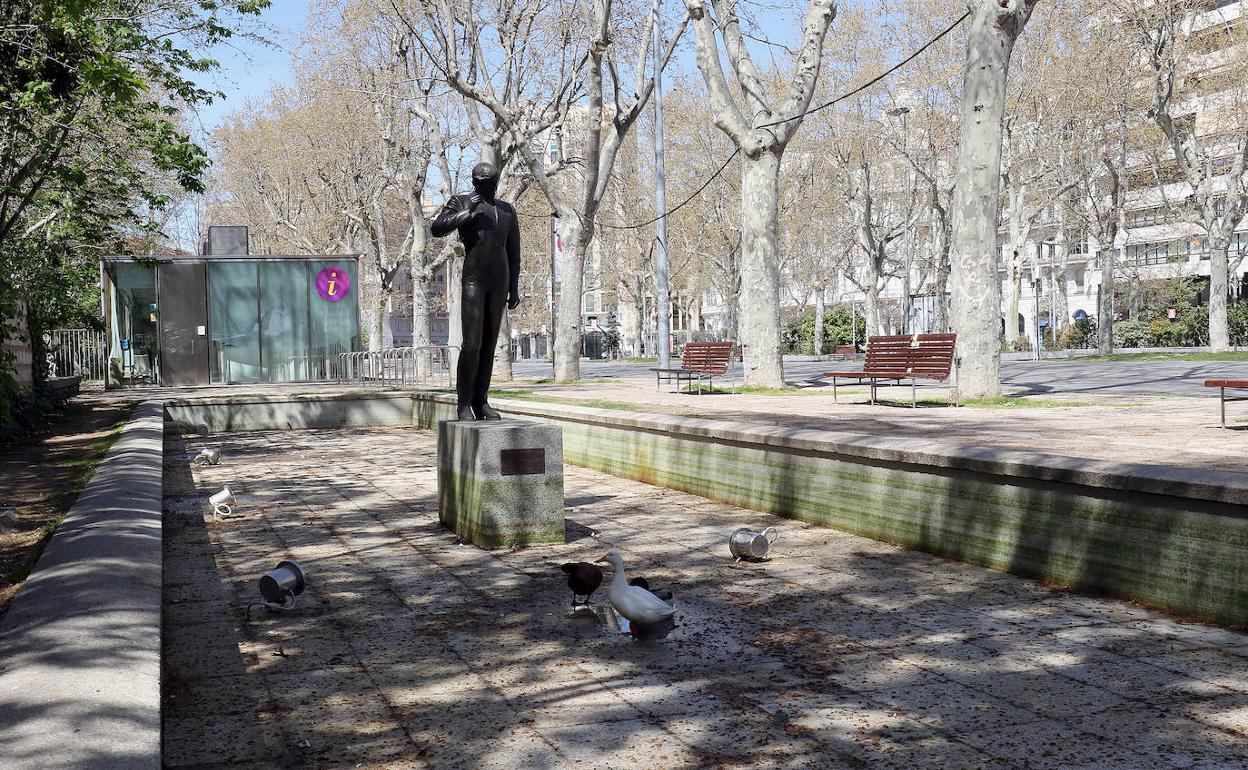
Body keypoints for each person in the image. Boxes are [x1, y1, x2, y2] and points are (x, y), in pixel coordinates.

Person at [430, 162, 521, 420]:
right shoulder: (462, 201)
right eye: (477, 180)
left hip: (499, 280)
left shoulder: (506, 210)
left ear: (495, 181)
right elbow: (437, 228)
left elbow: (514, 252)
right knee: (472, 344)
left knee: (489, 345)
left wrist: (513, 287)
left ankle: (481, 401)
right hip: (474, 280)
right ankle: (463, 403)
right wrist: (466, 213)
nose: (480, 185)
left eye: (486, 181)